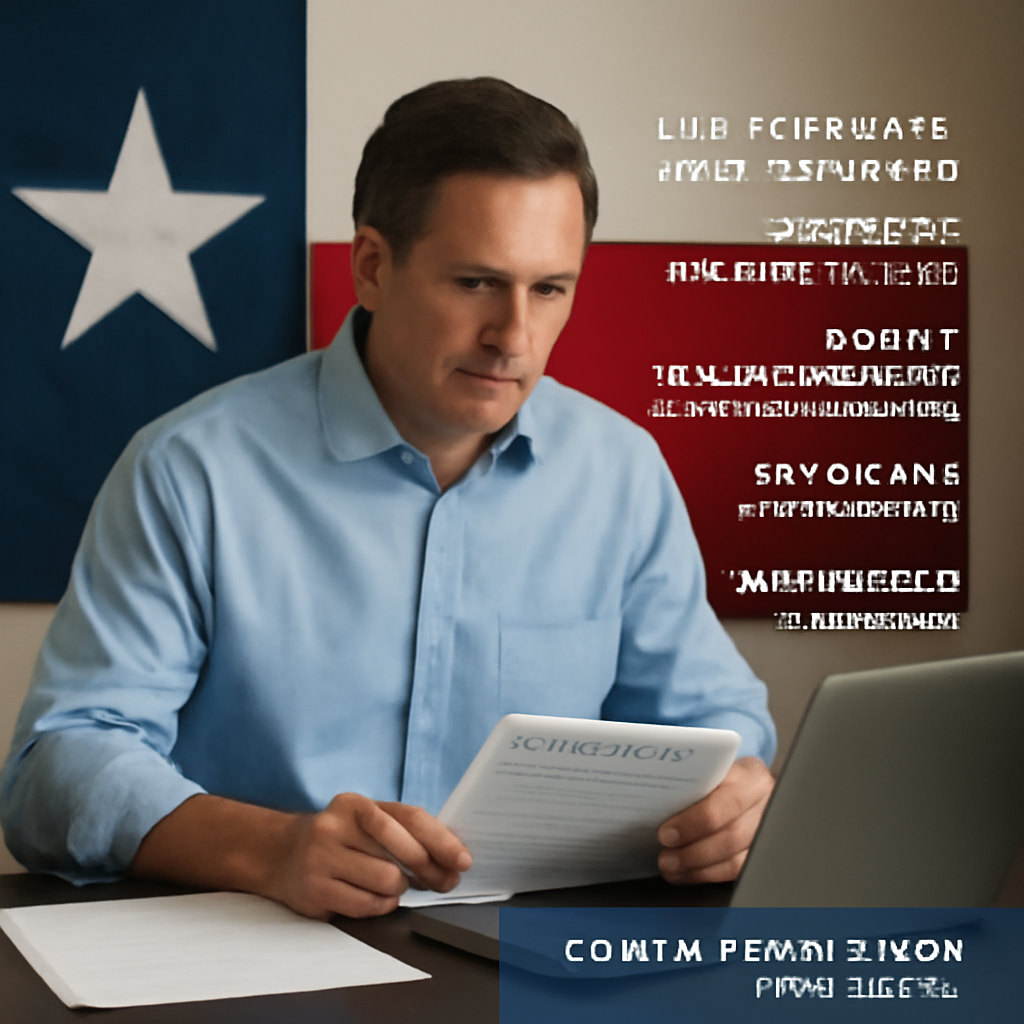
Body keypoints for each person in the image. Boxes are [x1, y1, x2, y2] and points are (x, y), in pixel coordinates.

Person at [0, 78, 775, 920]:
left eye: (550, 289)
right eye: (476, 283)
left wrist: (736, 799)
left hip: (535, 966)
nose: (514, 337)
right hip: (257, 961)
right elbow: (57, 771)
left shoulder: (622, 472)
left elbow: (716, 729)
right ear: (372, 266)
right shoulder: (190, 470)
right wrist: (270, 849)